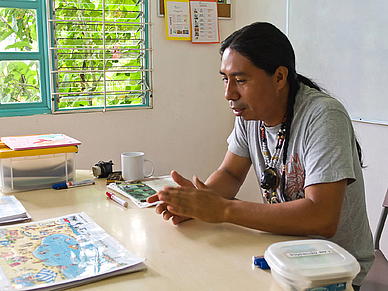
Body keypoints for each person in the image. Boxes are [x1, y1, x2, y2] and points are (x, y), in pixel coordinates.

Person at [147, 22, 374, 290]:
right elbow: (230, 174)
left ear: (279, 77)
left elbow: (322, 217)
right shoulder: (249, 114)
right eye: (225, 78)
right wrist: (199, 202)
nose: (228, 93)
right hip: (280, 253)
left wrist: (222, 209)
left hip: (332, 272)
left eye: (241, 80)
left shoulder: (323, 116)